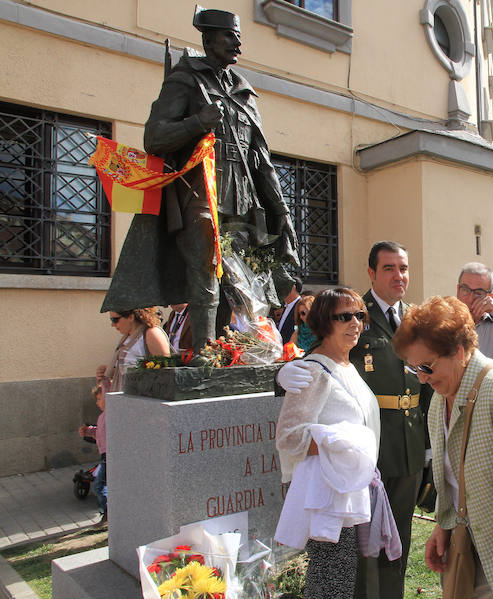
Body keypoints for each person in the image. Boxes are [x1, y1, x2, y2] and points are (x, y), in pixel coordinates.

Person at [101, 8, 299, 361]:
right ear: (208, 39)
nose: (238, 42)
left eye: (239, 35)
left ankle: (225, 351)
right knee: (206, 273)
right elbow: (155, 137)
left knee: (236, 284)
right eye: (230, 35)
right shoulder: (186, 80)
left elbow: (262, 159)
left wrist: (282, 210)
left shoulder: (244, 92)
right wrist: (197, 121)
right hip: (199, 195)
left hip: (242, 201)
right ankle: (205, 354)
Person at [393, 296, 493, 599]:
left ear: (459, 351)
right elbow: (452, 478)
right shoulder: (442, 396)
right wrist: (444, 525)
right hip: (467, 551)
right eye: (414, 369)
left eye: (426, 366)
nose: (422, 379)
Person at [274, 288, 382, 599]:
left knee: (343, 580)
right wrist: (341, 445)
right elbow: (289, 437)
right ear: (324, 321)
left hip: (349, 492)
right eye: (344, 316)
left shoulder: (348, 365)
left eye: (359, 315)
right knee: (330, 583)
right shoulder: (313, 370)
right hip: (326, 499)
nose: (355, 323)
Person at [349, 241, 431, 599]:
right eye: (389, 268)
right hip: (370, 447)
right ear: (371, 273)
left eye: (403, 268)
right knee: (367, 543)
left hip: (410, 447)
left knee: (400, 538)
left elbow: (428, 380)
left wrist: (428, 444)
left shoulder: (417, 319)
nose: (399, 276)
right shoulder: (353, 315)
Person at [96, 307, 171, 393]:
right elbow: (127, 368)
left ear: (131, 317)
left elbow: (165, 372)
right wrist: (109, 370)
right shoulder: (126, 337)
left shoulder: (151, 333)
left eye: (115, 320)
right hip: (125, 395)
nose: (113, 324)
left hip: (141, 397)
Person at [79, 384, 108, 521]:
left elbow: (107, 386)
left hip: (109, 456)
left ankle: (108, 514)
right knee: (102, 486)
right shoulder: (101, 417)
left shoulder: (111, 415)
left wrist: (103, 378)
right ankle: (108, 514)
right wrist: (88, 431)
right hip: (104, 456)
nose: (96, 403)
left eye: (98, 399)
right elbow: (99, 433)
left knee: (99, 486)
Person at [277, 279, 303, 345]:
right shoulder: (286, 306)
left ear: (293, 287)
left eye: (284, 287)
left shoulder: (301, 306)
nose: (281, 291)